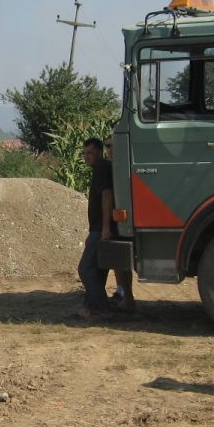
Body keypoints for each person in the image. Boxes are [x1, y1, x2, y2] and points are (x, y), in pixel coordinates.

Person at [76, 137, 113, 321]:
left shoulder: (100, 169)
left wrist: (106, 227)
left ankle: (101, 308)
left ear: (99, 152)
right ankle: (88, 308)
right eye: (84, 154)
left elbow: (107, 196)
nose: (87, 157)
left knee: (85, 268)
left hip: (100, 229)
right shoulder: (105, 167)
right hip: (99, 227)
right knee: (98, 271)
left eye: (90, 153)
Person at [104, 137, 135, 313]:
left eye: (113, 146)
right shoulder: (110, 167)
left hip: (121, 217)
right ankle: (122, 292)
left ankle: (127, 297)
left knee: (121, 261)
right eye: (107, 146)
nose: (110, 149)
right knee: (118, 262)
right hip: (116, 217)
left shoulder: (122, 167)